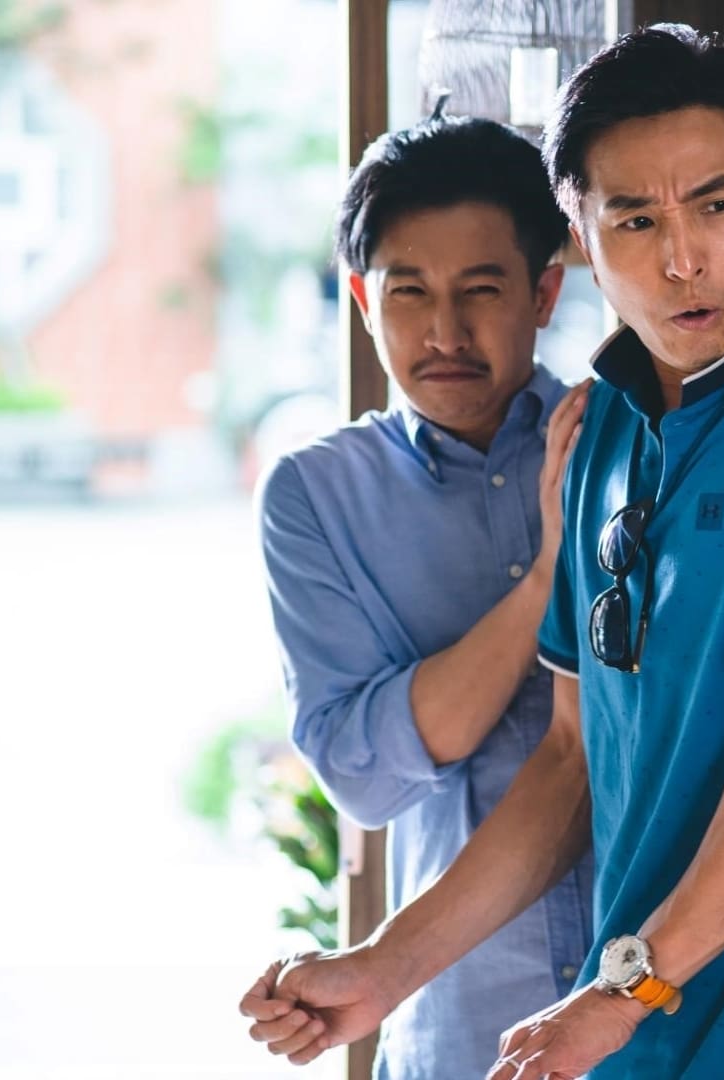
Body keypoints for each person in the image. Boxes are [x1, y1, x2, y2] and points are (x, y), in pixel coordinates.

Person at [240, 24, 724, 1080]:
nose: (681, 259)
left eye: (716, 206)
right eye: (634, 219)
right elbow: (568, 762)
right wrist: (382, 971)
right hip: (630, 1048)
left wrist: (615, 997)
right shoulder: (600, 431)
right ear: (580, 236)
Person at [236, 115, 595, 1080]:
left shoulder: (622, 442)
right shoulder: (315, 496)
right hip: (460, 1026)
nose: (445, 333)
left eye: (481, 289)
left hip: (652, 1017)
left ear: (545, 292)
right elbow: (365, 774)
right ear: (362, 299)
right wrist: (549, 580)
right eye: (408, 292)